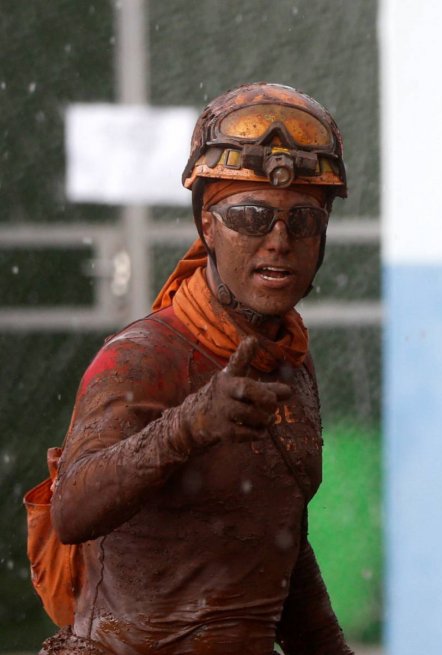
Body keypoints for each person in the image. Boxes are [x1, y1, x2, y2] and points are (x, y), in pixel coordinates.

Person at [41, 83, 354, 654]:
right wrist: (188, 426)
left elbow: (276, 541)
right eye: (252, 216)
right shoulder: (142, 357)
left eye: (303, 221)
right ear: (207, 226)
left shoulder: (289, 361)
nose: (279, 241)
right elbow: (72, 511)